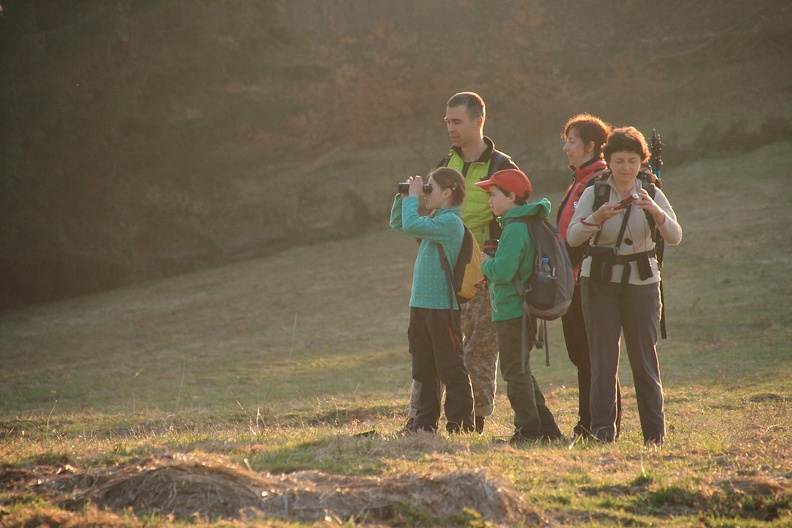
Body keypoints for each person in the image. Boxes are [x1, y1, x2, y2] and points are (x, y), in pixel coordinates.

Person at [405, 92, 519, 434]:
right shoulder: (447, 163)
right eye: (447, 122)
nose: (451, 128)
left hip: (482, 270)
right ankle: (420, 419)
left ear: (478, 121)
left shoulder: (502, 166)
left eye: (457, 122)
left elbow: (515, 215)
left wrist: (492, 253)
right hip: (442, 273)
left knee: (480, 347)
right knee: (434, 349)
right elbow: (429, 209)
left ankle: (474, 420)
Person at [567, 127, 682, 446]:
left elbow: (675, 235)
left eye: (632, 160)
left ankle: (654, 437)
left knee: (644, 360)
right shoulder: (595, 191)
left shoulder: (651, 191)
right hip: (600, 282)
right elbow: (572, 236)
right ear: (608, 161)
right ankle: (603, 433)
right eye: (619, 160)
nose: (626, 167)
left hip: (642, 283)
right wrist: (596, 218)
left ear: (641, 161)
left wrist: (655, 212)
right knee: (603, 360)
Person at [476, 169, 563, 444]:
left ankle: (528, 432)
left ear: (511, 196)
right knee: (521, 370)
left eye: (493, 195)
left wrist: (484, 263)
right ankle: (547, 430)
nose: (489, 200)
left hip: (513, 311)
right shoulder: (523, 223)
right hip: (521, 310)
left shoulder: (514, 228)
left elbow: (501, 272)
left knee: (514, 374)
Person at [390, 167, 475, 434]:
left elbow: (412, 223)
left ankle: (461, 423)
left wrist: (413, 199)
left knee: (450, 368)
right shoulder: (436, 218)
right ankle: (424, 423)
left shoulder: (449, 223)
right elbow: (399, 224)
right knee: (423, 367)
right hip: (421, 306)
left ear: (448, 193)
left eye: (430, 188)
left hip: (442, 308)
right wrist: (403, 195)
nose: (425, 192)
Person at [557, 114, 622, 440]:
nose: (566, 147)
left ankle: (599, 426)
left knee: (595, 357)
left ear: (591, 146)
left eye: (572, 141)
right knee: (582, 356)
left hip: (589, 280)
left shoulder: (598, 182)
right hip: (572, 280)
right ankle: (587, 424)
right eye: (566, 141)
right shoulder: (579, 180)